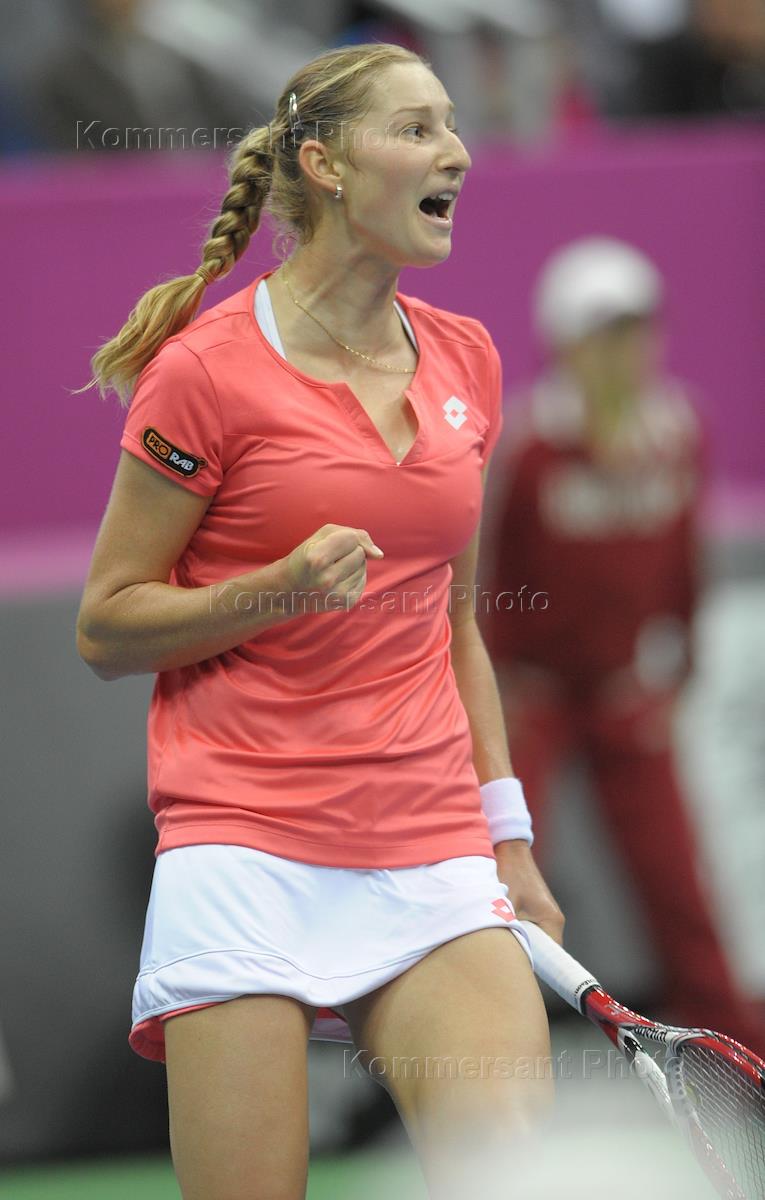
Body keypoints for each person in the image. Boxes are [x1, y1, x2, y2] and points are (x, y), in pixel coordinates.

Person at [76, 43, 563, 1200]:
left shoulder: (468, 358)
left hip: (432, 841)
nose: (457, 153)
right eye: (416, 128)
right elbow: (106, 626)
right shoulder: (203, 374)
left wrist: (509, 840)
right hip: (243, 843)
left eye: (453, 125)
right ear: (325, 164)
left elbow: (456, 626)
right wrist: (273, 592)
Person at [483, 237, 765, 1054]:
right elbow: (483, 576)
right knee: (497, 877)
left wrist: (680, 668)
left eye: (638, 330)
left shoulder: (677, 432)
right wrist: (494, 694)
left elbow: (683, 565)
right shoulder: (529, 443)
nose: (625, 351)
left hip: (625, 694)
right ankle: (479, 1050)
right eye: (604, 333)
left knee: (678, 883)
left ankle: (735, 1057)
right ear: (564, 343)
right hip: (530, 697)